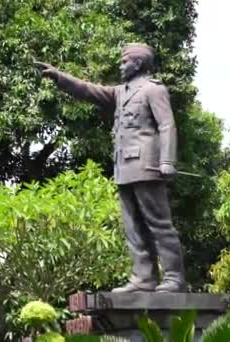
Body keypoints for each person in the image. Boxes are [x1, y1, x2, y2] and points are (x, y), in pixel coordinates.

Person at [37, 43, 186, 293]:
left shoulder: (153, 89)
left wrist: (167, 161)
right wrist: (59, 76)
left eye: (124, 60)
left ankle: (173, 277)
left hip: (147, 165)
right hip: (124, 166)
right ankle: (144, 278)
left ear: (138, 64)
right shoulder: (121, 92)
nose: (120, 64)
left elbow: (167, 125)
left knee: (158, 223)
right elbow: (88, 90)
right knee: (133, 226)